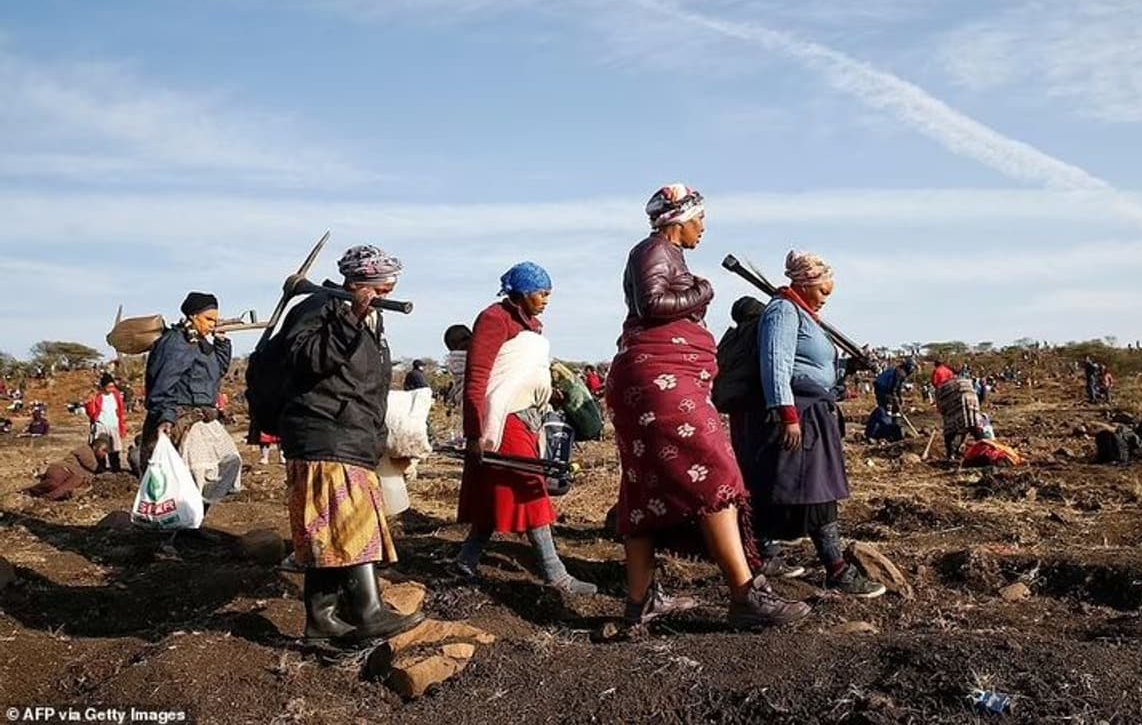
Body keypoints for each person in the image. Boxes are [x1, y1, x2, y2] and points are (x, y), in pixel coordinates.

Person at [608, 183, 810, 631]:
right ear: (680, 220)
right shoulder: (653, 250)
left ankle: (639, 605)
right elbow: (652, 303)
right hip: (658, 382)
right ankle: (745, 595)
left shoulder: (664, 254)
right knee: (715, 473)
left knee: (644, 488)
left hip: (650, 381)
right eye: (700, 219)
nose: (704, 228)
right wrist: (702, 291)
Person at [278, 244, 425, 645]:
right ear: (360, 283)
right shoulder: (319, 309)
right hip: (325, 434)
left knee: (330, 530)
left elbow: (368, 387)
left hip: (352, 436)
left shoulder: (370, 321)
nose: (388, 296)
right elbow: (307, 361)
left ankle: (322, 622)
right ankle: (367, 611)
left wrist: (377, 438)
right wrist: (350, 318)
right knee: (353, 525)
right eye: (383, 289)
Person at [739, 251, 885, 597]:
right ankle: (836, 568)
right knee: (816, 490)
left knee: (798, 487)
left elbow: (817, 369)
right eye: (823, 292)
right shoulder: (783, 311)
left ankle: (763, 554)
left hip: (814, 409)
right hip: (798, 413)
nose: (826, 299)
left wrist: (847, 368)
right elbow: (775, 363)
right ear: (804, 285)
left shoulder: (806, 315)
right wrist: (786, 414)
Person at [455, 263, 595, 595]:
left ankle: (465, 560)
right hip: (502, 420)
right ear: (521, 293)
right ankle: (555, 573)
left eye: (549, 294)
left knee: (498, 490)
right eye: (541, 293)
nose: (547, 300)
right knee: (528, 486)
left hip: (526, 416)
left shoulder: (530, 326)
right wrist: (475, 433)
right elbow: (479, 378)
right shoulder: (493, 319)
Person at [138, 292, 242, 513]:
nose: (213, 324)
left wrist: (222, 343)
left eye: (216, 320)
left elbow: (217, 371)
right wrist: (166, 416)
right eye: (209, 319)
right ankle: (173, 534)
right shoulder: (176, 342)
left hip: (204, 418)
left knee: (229, 462)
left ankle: (195, 522)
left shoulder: (202, 343)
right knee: (190, 476)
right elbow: (164, 382)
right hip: (181, 417)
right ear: (193, 316)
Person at [30, 439, 109, 500]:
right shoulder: (85, 450)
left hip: (73, 476)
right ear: (95, 447)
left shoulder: (96, 459)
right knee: (54, 483)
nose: (105, 454)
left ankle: (47, 497)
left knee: (71, 485)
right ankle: (32, 491)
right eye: (103, 450)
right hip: (62, 469)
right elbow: (92, 466)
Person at [85, 373, 127, 473]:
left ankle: (116, 470)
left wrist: (122, 426)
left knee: (114, 449)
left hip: (113, 425)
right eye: (109, 386)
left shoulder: (116, 396)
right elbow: (91, 412)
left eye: (112, 386)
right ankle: (101, 470)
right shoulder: (97, 397)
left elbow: (121, 411)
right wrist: (89, 403)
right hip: (101, 425)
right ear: (103, 387)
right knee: (100, 449)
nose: (111, 388)